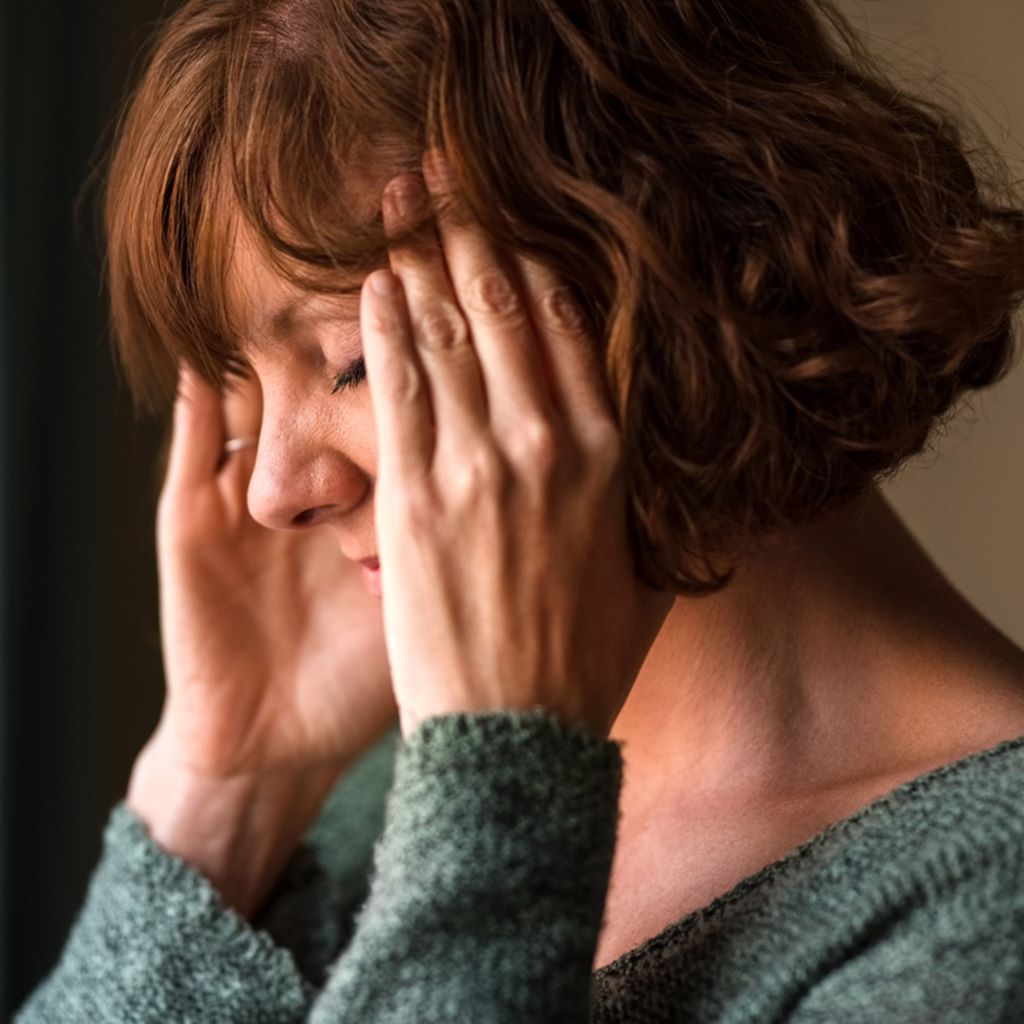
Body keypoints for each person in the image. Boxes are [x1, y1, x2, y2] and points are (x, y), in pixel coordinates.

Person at [16, 0, 1024, 1020]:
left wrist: (494, 800)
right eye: (244, 390)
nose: (273, 489)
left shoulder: (981, 914)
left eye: (352, 361)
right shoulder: (367, 820)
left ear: (667, 273)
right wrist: (220, 792)